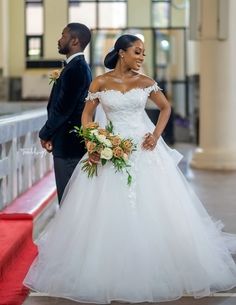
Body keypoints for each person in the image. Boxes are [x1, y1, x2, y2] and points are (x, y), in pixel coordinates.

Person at [24, 34, 236, 303]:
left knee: (156, 205)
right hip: (110, 148)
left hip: (144, 149)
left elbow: (165, 108)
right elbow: (86, 115)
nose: (141, 57)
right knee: (105, 207)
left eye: (143, 53)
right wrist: (93, 141)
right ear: (122, 53)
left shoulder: (146, 83)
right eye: (137, 52)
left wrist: (156, 135)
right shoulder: (100, 82)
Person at [39, 23, 92, 203]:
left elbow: (63, 108)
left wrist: (45, 133)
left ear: (75, 40)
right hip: (67, 144)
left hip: (70, 148)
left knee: (69, 201)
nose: (59, 39)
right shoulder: (74, 66)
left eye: (63, 35)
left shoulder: (76, 68)